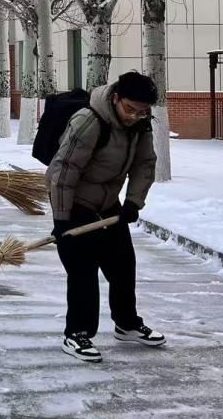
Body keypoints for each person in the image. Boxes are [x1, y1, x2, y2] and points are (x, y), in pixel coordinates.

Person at [46, 71, 165, 364]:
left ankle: (126, 324)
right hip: (75, 203)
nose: (135, 116)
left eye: (142, 111)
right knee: (83, 271)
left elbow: (145, 164)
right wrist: (62, 220)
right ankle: (77, 333)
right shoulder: (88, 122)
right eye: (130, 109)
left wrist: (133, 202)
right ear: (116, 99)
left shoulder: (140, 125)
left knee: (123, 265)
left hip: (109, 204)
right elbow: (62, 172)